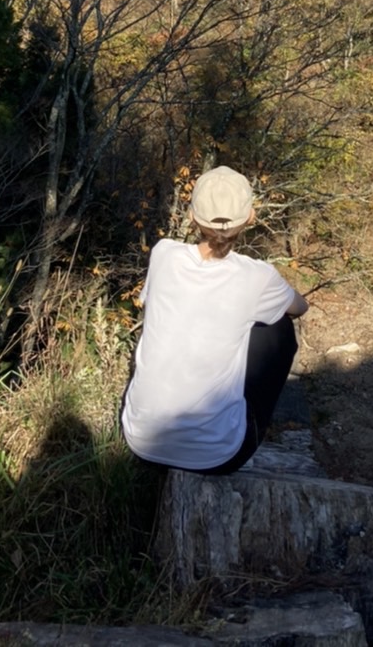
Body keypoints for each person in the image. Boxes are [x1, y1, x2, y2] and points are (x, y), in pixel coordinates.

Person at [121, 165, 308, 474]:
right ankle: (239, 420)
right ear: (250, 217)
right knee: (278, 327)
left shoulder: (163, 254)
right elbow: (300, 307)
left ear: (192, 215)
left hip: (142, 443)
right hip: (217, 458)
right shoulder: (258, 276)